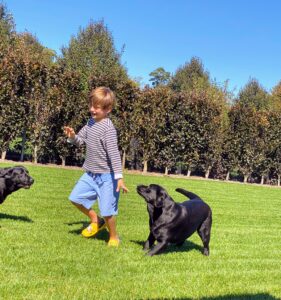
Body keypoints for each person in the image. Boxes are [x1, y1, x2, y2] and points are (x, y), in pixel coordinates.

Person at [64, 87, 128, 247]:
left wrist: (119, 177)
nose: (92, 109)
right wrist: (72, 137)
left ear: (108, 109)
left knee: (108, 211)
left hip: (107, 178)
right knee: (75, 198)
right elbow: (80, 141)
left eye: (97, 107)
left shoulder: (108, 129)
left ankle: (114, 237)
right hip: (90, 174)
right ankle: (95, 220)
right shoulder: (90, 123)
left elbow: (114, 154)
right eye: (91, 105)